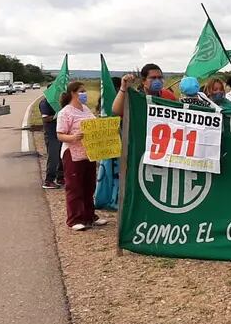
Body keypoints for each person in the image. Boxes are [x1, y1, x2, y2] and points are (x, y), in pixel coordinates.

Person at [57, 81, 105, 231]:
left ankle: (89, 215)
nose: (85, 94)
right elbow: (60, 135)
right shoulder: (65, 112)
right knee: (75, 186)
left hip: (88, 153)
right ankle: (75, 219)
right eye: (82, 91)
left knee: (89, 186)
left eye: (85, 91)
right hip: (72, 154)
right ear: (73, 93)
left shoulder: (85, 109)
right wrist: (73, 138)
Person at [112, 63, 176, 116]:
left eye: (160, 77)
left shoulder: (168, 96)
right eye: (153, 78)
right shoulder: (136, 98)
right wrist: (123, 88)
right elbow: (117, 112)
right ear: (143, 81)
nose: (157, 81)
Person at [40, 88, 64, 189]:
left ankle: (60, 177)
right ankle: (49, 180)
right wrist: (57, 116)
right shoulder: (45, 102)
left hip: (61, 132)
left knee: (62, 156)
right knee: (53, 157)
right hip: (51, 133)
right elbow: (45, 118)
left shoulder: (59, 101)